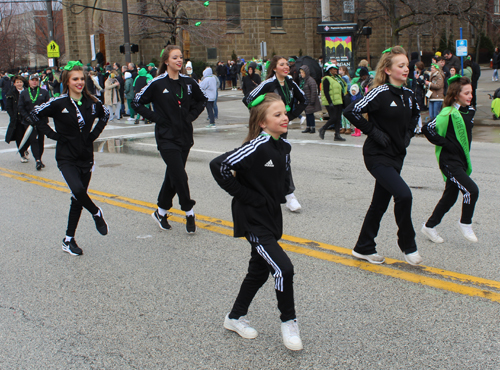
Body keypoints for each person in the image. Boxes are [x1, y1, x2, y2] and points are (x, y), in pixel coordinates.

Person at [210, 93, 303, 351]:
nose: (284, 118)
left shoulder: (283, 147)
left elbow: (281, 180)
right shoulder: (256, 146)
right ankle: (289, 322)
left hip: (271, 217)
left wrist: (285, 195)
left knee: (258, 271)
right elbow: (218, 166)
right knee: (283, 269)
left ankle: (235, 317)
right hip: (252, 219)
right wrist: (248, 196)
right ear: (262, 123)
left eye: (285, 113)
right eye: (277, 115)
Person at [343, 46, 422, 266]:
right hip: (377, 155)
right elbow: (350, 111)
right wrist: (374, 132)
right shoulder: (380, 92)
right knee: (404, 195)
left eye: (407, 65)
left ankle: (363, 247)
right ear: (387, 70)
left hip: (397, 156)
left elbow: (416, 115)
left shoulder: (408, 94)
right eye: (401, 65)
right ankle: (408, 245)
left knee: (379, 204)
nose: (406, 69)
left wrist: (407, 135)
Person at [30, 61, 109, 256]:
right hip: (66, 157)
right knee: (78, 190)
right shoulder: (58, 103)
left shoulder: (92, 102)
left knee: (77, 199)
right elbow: (34, 115)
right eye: (75, 79)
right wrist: (54, 135)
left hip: (86, 156)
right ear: (67, 81)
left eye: (82, 79)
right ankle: (96, 213)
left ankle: (68, 240)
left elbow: (105, 115)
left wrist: (93, 135)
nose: (80, 82)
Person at [132, 45, 207, 233]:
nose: (179, 61)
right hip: (166, 138)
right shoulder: (157, 83)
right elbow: (137, 102)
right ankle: (189, 212)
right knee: (180, 175)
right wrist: (157, 119)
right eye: (175, 58)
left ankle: (161, 211)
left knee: (173, 176)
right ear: (166, 61)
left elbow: (202, 99)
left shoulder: (188, 82)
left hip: (184, 137)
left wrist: (191, 117)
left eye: (180, 57)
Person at [245, 55, 306, 212]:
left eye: (287, 64)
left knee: (284, 158)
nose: (286, 67)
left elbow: (303, 99)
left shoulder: (290, 82)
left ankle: (289, 195)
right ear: (274, 68)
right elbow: (249, 99)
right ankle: (257, 190)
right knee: (264, 158)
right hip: (266, 130)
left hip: (281, 130)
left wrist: (289, 117)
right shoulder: (268, 84)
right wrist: (263, 117)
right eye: (282, 64)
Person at [421, 76, 479, 243]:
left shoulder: (471, 111)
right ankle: (465, 223)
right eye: (466, 93)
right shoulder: (448, 113)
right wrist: (445, 143)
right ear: (455, 95)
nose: (470, 96)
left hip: (461, 161)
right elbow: (427, 128)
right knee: (471, 191)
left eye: (471, 92)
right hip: (449, 162)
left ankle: (429, 226)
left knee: (449, 197)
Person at [18, 74, 50, 170]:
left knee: (40, 140)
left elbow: (48, 105)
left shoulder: (44, 92)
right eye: (32, 80)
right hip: (29, 121)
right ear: (29, 81)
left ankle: (39, 158)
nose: (34, 82)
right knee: (33, 140)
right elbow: (20, 107)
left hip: (41, 120)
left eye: (36, 80)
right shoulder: (24, 93)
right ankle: (37, 160)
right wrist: (28, 118)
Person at [5, 75, 30, 162]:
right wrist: (12, 116)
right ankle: (22, 154)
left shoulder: (28, 91)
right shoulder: (11, 93)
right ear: (14, 84)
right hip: (17, 118)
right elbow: (8, 107)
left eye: (20, 82)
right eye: (17, 82)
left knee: (29, 135)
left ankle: (25, 148)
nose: (19, 84)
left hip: (27, 117)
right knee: (19, 136)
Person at [318, 64, 346, 141]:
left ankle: (337, 135)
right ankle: (323, 128)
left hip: (339, 101)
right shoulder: (326, 79)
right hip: (331, 102)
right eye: (333, 69)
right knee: (334, 118)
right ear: (329, 70)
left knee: (338, 119)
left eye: (336, 69)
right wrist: (330, 102)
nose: (335, 70)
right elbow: (326, 91)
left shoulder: (338, 78)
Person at [299, 65, 321, 134]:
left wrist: (312, 100)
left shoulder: (310, 80)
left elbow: (313, 91)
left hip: (310, 100)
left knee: (310, 114)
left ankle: (312, 127)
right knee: (307, 113)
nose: (301, 74)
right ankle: (308, 127)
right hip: (306, 100)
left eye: (302, 72)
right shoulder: (304, 81)